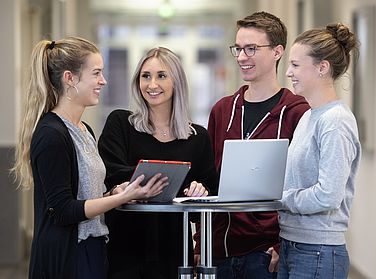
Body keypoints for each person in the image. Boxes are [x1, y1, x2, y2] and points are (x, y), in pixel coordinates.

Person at [12, 37, 168, 279]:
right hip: (68, 258)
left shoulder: (85, 130)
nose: (103, 81)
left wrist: (113, 194)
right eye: (96, 73)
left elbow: (86, 200)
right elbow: (63, 211)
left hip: (93, 250)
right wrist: (123, 198)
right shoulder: (51, 135)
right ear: (70, 79)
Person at [193, 11, 311, 279]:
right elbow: (207, 179)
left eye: (251, 48)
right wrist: (200, 241)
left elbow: (301, 184)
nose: (242, 57)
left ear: (277, 52)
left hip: (266, 254)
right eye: (238, 48)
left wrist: (283, 246)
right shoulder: (222, 110)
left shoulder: (297, 112)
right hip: (219, 250)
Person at [97, 47, 219, 279]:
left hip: (173, 253)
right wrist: (173, 179)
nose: (152, 84)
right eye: (146, 76)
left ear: (177, 82)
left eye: (161, 76)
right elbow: (111, 174)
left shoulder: (197, 137)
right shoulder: (121, 124)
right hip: (123, 249)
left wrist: (198, 190)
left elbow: (209, 194)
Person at [278, 23, 361, 279]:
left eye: (295, 65)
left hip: (318, 251)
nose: (289, 73)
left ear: (322, 67)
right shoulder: (308, 117)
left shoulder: (335, 121)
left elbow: (328, 196)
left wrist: (280, 198)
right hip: (291, 244)